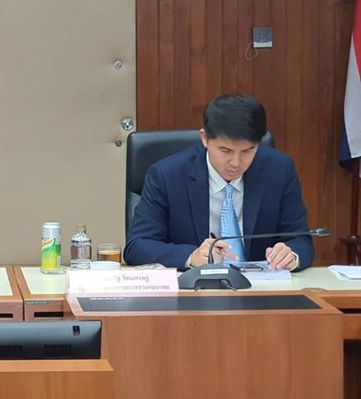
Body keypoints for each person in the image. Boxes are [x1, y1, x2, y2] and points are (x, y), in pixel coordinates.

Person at [124, 94, 314, 270]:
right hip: (194, 289)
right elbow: (137, 246)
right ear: (204, 138)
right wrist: (191, 256)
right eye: (226, 151)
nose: (236, 163)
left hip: (261, 288)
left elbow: (301, 240)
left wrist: (291, 255)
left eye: (247, 151)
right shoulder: (167, 175)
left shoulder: (279, 170)